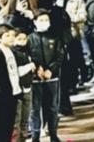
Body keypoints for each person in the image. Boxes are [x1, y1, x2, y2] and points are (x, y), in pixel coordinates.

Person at [0, 24, 33, 142]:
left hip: (13, 93)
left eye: (12, 35)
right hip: (3, 95)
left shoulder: (11, 51)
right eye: (7, 35)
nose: (11, 38)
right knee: (4, 126)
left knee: (9, 126)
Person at [28, 10, 63, 142]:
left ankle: (53, 134)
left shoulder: (55, 37)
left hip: (52, 78)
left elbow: (59, 55)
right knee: (35, 109)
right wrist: (37, 69)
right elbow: (27, 55)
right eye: (41, 20)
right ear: (35, 22)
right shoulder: (30, 38)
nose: (44, 22)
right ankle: (35, 136)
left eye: (46, 20)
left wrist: (51, 70)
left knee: (53, 107)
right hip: (35, 79)